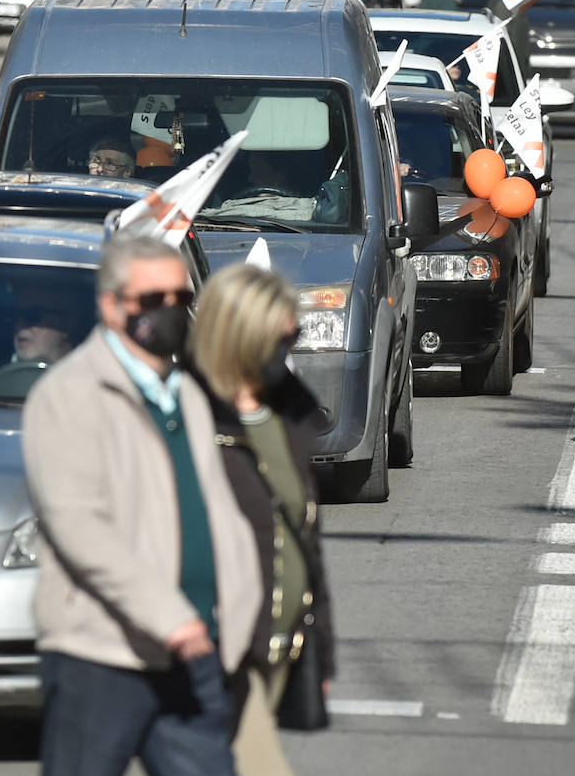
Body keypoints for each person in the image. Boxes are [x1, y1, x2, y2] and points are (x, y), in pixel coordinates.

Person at [22, 234, 260, 776]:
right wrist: (173, 619)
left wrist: (239, 620)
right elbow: (79, 528)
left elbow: (218, 511)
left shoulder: (186, 394)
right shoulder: (68, 395)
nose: (169, 312)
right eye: (152, 300)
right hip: (103, 656)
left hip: (199, 654)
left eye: (179, 297)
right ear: (111, 306)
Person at [190, 264, 334, 776]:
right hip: (215, 654)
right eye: (282, 334)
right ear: (239, 336)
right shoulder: (189, 415)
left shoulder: (289, 413)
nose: (290, 345)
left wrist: (321, 654)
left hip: (277, 646)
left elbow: (305, 536)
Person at [488, 0, 533, 76]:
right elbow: (502, 31)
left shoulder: (513, 0)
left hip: (513, 57)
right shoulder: (506, 2)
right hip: (508, 60)